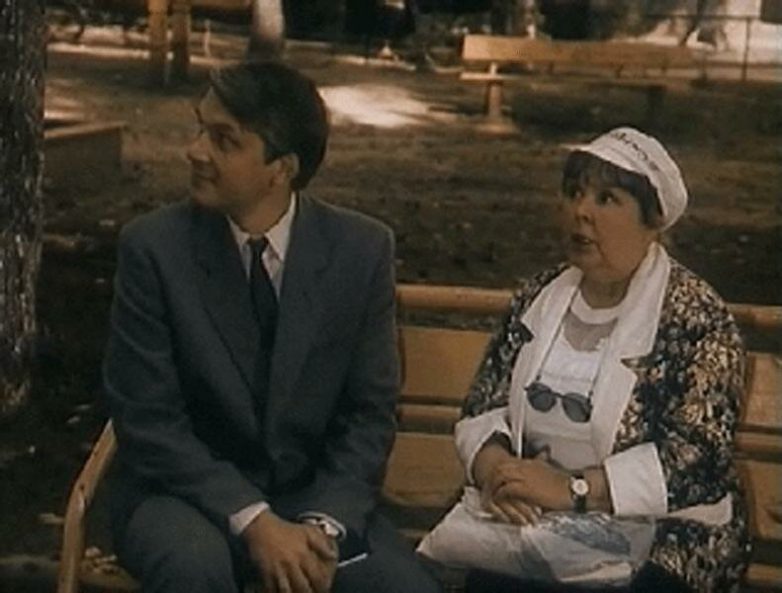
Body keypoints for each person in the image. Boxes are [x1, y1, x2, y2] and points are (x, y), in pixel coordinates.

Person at [103, 61, 442, 593]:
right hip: (182, 498)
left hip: (312, 500)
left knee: (400, 586)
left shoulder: (360, 251)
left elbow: (368, 415)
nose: (195, 151)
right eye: (200, 129)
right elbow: (149, 420)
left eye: (223, 140)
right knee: (193, 569)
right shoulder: (155, 250)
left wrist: (323, 526)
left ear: (281, 168)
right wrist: (255, 520)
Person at [420, 127, 749, 592]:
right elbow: (483, 405)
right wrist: (497, 471)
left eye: (606, 199)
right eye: (575, 193)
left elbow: (699, 456)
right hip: (536, 520)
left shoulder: (695, 316)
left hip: (665, 534)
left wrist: (574, 490)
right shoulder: (539, 296)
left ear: (653, 220)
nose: (581, 212)